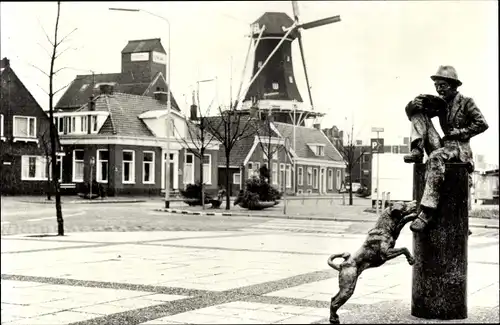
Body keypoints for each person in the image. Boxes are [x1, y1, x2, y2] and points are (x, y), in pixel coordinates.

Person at [403, 65, 489, 232]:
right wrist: (412, 105)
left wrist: (460, 132)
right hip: (444, 146)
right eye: (436, 86)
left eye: (442, 85)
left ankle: (427, 211)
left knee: (435, 157)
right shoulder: (440, 104)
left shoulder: (466, 102)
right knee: (417, 112)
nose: (438, 89)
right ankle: (417, 150)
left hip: (458, 148)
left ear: (453, 85)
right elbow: (417, 114)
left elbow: (482, 124)